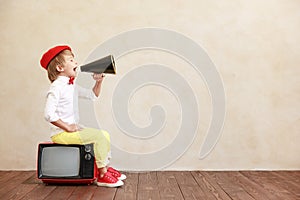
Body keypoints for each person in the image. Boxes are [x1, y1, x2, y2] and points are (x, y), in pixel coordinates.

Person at [40, 45, 126, 187]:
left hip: (70, 131)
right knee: (100, 135)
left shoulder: (71, 86)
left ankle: (103, 168)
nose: (76, 63)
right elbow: (48, 114)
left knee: (104, 136)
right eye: (72, 60)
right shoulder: (56, 87)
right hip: (61, 134)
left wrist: (99, 81)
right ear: (60, 68)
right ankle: (103, 174)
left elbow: (93, 95)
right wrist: (67, 127)